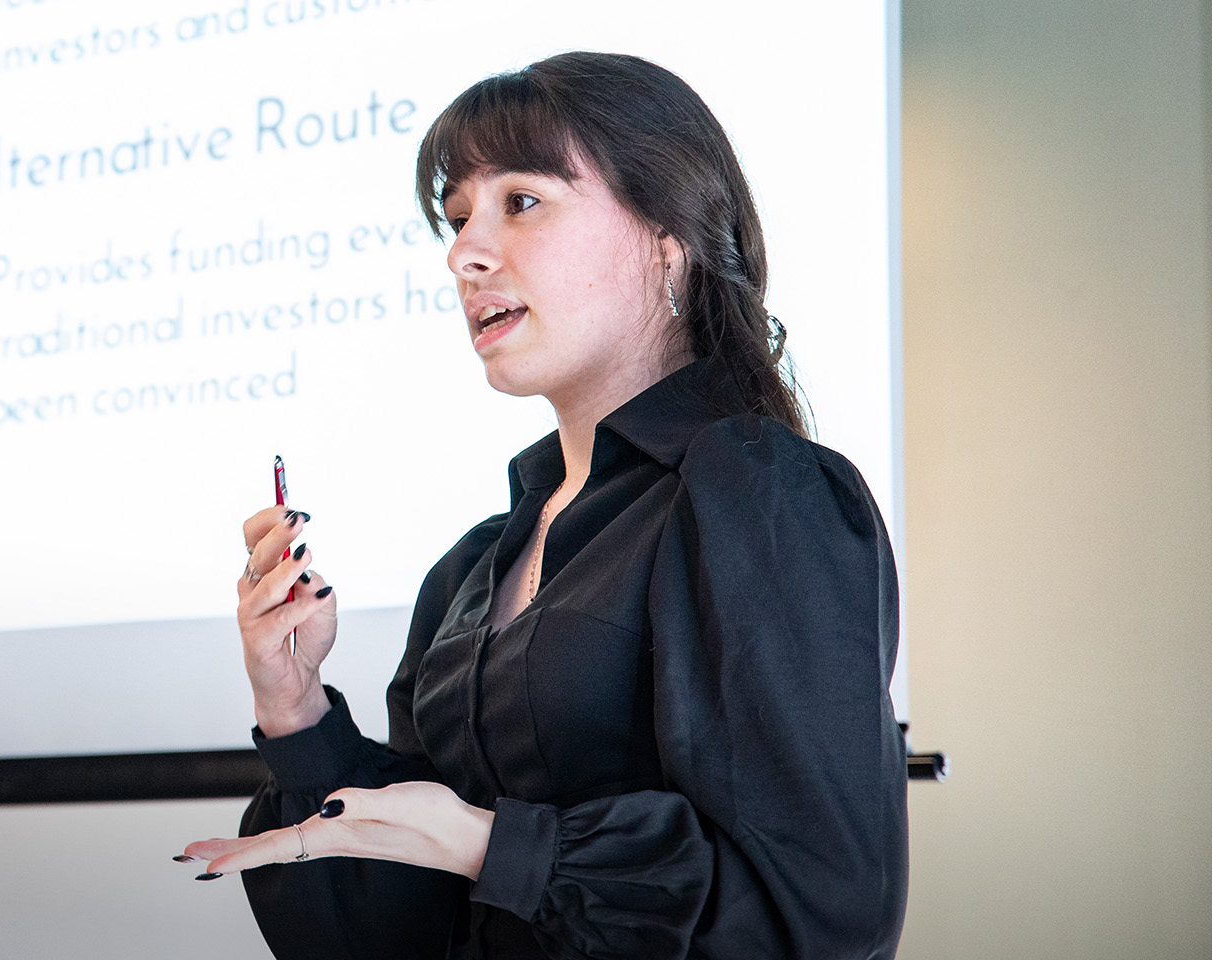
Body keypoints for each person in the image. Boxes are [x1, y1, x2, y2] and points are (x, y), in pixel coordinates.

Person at [177, 52, 909, 959]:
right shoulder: (471, 570)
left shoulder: (764, 494)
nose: (463, 253)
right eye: (456, 220)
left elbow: (825, 916)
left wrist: (491, 847)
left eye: (521, 202)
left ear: (666, 233)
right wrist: (295, 711)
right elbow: (406, 933)